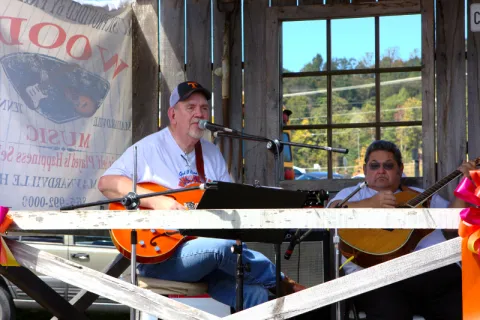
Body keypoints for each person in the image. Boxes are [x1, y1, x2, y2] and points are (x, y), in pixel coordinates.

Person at [98, 81, 305, 310]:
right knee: (226, 247)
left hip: (207, 259)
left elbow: (231, 201)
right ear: (173, 114)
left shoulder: (210, 153)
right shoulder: (149, 148)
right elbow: (107, 183)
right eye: (191, 107)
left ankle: (276, 288)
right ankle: (283, 283)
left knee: (254, 295)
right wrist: (158, 201)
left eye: (204, 108)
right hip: (161, 257)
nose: (199, 113)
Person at [328, 140, 476, 320]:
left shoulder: (421, 195)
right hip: (376, 277)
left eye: (388, 165)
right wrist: (372, 203)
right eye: (374, 166)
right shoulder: (353, 194)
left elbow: (454, 224)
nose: (381, 171)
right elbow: (332, 212)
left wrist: (465, 181)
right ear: (365, 170)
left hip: (434, 273)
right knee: (391, 313)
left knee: (460, 306)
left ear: (400, 169)